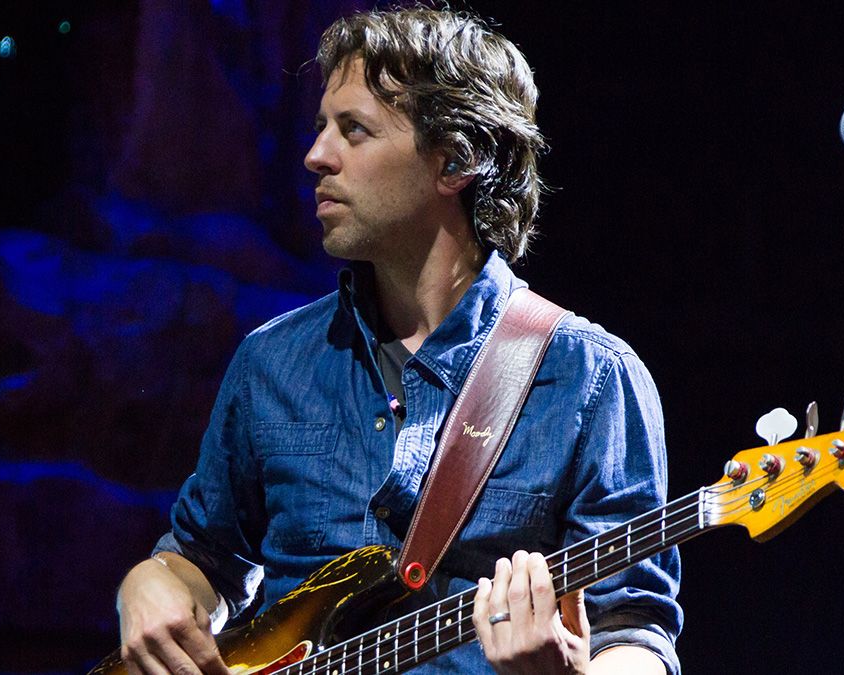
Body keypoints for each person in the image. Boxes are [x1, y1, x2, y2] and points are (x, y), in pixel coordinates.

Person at [114, 7, 682, 674]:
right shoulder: (270, 364)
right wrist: (151, 582)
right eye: (322, 126)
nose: (316, 155)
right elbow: (204, 558)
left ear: (455, 161)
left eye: (354, 130)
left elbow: (635, 631)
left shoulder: (591, 377)